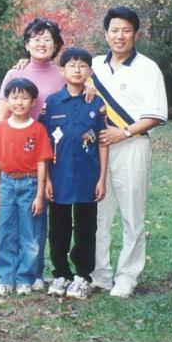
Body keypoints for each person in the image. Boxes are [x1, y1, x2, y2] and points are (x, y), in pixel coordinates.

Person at [90, 6, 168, 298]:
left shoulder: (148, 68)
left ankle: (127, 277)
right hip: (97, 151)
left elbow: (155, 115)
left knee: (132, 215)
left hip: (132, 147)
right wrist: (24, 62)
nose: (119, 36)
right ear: (105, 34)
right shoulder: (93, 65)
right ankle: (99, 274)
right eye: (114, 30)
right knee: (97, 213)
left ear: (136, 34)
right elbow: (61, 73)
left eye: (126, 30)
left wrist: (122, 132)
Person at [0, 18, 66, 291]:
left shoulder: (62, 74)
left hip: (55, 152)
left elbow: (81, 87)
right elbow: (2, 120)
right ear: (27, 44)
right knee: (14, 220)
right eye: (36, 39)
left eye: (47, 39)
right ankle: (11, 274)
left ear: (56, 45)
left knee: (38, 215)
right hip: (20, 158)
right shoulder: (15, 74)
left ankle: (34, 272)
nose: (41, 43)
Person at [40, 47, 108, 300]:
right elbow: (44, 143)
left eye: (82, 66)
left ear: (89, 71)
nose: (77, 70)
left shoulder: (96, 103)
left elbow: (103, 142)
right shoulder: (52, 102)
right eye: (72, 65)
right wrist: (46, 179)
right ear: (62, 70)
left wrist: (101, 178)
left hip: (88, 177)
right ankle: (61, 273)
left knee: (86, 228)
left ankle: (82, 276)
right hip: (59, 177)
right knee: (58, 227)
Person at [0, 78, 54, 297]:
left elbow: (42, 163)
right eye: (14, 97)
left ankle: (25, 277)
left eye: (24, 98)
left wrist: (39, 195)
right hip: (7, 184)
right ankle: (5, 278)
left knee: (30, 234)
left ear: (33, 102)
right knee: (5, 232)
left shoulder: (38, 130)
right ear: (7, 101)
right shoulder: (1, 129)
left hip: (30, 185)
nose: (19, 102)